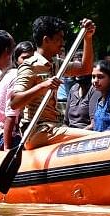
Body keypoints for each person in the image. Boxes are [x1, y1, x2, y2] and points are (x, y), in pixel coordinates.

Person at [10, 15, 97, 150]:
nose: (62, 43)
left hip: (55, 127)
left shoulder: (57, 64)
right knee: (93, 138)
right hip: (37, 130)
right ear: (46, 40)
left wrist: (88, 38)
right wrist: (42, 86)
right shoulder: (30, 66)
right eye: (58, 39)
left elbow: (85, 69)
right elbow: (15, 102)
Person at [0, 41, 35, 151]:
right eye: (25, 58)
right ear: (16, 60)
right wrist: (7, 148)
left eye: (32, 59)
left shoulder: (11, 74)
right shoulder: (16, 76)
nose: (29, 62)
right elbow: (11, 115)